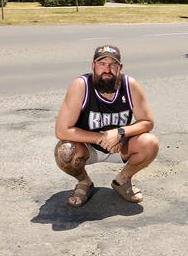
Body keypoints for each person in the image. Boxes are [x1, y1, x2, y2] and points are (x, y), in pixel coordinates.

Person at [54, 45, 160, 207]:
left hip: (120, 146)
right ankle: (84, 182)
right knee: (65, 151)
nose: (107, 69)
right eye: (102, 63)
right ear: (93, 66)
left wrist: (120, 133)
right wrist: (102, 138)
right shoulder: (81, 86)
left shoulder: (130, 85)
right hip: (88, 148)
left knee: (150, 143)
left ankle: (122, 181)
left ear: (120, 68)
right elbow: (62, 130)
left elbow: (147, 122)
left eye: (113, 65)